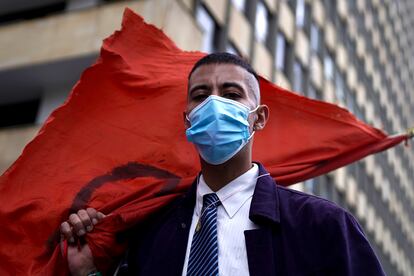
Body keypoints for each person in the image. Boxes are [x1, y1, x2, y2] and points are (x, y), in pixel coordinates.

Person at [61, 53, 385, 275]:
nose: (214, 103)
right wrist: (87, 270)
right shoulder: (152, 230)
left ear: (258, 118)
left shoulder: (323, 225)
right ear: (187, 119)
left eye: (231, 94)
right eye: (201, 95)